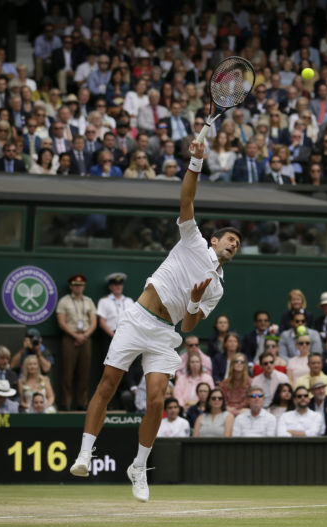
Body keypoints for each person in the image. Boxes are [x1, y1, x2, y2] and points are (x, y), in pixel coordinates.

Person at [70, 140, 242, 503]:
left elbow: (192, 326)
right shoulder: (192, 240)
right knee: (108, 384)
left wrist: (194, 302)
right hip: (137, 319)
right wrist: (196, 160)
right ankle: (86, 452)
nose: (233, 245)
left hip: (166, 333)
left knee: (155, 401)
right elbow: (187, 199)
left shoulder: (218, 289)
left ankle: (138, 467)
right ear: (214, 240)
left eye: (238, 244)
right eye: (230, 239)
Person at [56, 274, 97, 411]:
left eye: (80, 285)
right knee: (67, 372)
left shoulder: (89, 301)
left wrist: (85, 335)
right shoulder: (64, 301)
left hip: (86, 338)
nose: (78, 287)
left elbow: (93, 321)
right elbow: (61, 322)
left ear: (83, 287)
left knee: (84, 372)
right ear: (71, 286)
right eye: (75, 285)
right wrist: (75, 335)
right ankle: (66, 403)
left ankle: (82, 403)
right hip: (70, 338)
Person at [96, 273, 135, 352]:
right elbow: (102, 322)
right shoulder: (104, 301)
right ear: (110, 287)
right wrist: (114, 336)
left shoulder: (129, 301)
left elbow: (134, 319)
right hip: (111, 336)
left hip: (128, 336)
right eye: (115, 284)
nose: (118, 287)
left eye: (120, 284)